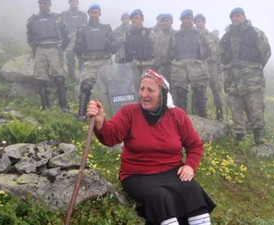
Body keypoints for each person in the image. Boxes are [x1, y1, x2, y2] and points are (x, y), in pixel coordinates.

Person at [86, 69, 215, 225]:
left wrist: (190, 166)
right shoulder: (129, 113)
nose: (144, 94)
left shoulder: (177, 115)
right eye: (141, 89)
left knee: (192, 189)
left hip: (172, 171)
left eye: (150, 90)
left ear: (162, 95)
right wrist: (100, 123)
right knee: (159, 195)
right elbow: (110, 136)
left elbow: (195, 145)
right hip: (137, 175)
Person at [219, 7, 271, 144]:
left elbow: (265, 52)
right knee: (235, 107)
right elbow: (222, 55)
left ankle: (258, 135)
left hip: (252, 78)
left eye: (237, 16)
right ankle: (239, 134)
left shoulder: (256, 33)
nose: (235, 19)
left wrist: (254, 68)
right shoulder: (226, 36)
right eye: (233, 17)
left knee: (255, 107)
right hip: (233, 79)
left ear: (244, 17)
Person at [74, 4, 116, 121]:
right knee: (85, 87)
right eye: (91, 12)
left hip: (105, 61)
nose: (93, 14)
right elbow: (77, 47)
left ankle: (112, 113)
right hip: (90, 62)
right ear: (89, 14)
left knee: (109, 87)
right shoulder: (82, 29)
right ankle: (81, 115)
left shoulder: (106, 28)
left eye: (96, 12)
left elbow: (114, 46)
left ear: (99, 14)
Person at [26, 0, 70, 112]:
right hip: (39, 49)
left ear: (50, 5)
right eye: (40, 3)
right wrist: (34, 46)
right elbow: (29, 36)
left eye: (45, 3)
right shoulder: (33, 19)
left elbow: (66, 35)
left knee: (59, 77)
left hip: (54, 48)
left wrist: (60, 48)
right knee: (41, 78)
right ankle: (45, 106)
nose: (42, 5)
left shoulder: (57, 18)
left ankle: (63, 105)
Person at [169, 9, 210, 118]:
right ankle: (181, 120)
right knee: (180, 95)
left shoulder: (199, 33)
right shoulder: (175, 35)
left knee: (199, 95)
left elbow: (208, 49)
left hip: (197, 68)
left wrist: (199, 58)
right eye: (185, 18)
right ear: (181, 20)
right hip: (180, 68)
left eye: (190, 18)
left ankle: (203, 119)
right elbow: (172, 51)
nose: (188, 21)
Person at [194, 13, 224, 121]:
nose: (198, 23)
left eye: (200, 21)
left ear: (204, 22)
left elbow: (220, 51)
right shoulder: (194, 36)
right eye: (196, 21)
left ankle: (219, 113)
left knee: (216, 88)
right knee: (199, 89)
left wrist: (221, 63)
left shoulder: (213, 36)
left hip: (212, 64)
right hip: (199, 64)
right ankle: (200, 113)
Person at [124, 9, 155, 93]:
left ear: (142, 19)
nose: (134, 20)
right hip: (133, 66)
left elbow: (155, 49)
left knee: (147, 88)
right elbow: (126, 50)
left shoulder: (149, 32)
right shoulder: (127, 34)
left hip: (146, 65)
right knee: (135, 88)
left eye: (136, 18)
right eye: (132, 18)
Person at [61, 0, 87, 82]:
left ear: (77, 3)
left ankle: (83, 79)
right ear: (69, 3)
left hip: (80, 38)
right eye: (71, 1)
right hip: (69, 39)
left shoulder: (83, 14)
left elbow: (86, 27)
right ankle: (72, 79)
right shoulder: (64, 14)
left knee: (82, 59)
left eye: (75, 1)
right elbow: (61, 28)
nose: (73, 3)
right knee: (69, 58)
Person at [151, 14, 176, 89]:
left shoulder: (177, 34)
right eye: (162, 21)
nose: (164, 23)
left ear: (171, 21)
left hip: (174, 68)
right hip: (160, 68)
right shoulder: (157, 36)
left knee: (174, 91)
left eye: (166, 21)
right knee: (162, 90)